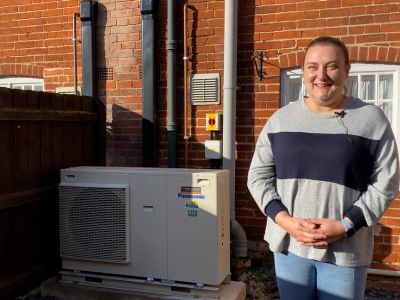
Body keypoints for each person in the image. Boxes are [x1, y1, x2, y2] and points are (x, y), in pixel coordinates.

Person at [247, 36, 400, 300]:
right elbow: (258, 177)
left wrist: (344, 225)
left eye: (332, 66)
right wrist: (286, 222)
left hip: (345, 250)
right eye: (312, 67)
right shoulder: (281, 120)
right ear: (304, 71)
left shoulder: (370, 119)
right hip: (290, 247)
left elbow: (387, 181)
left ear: (346, 70)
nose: (321, 76)